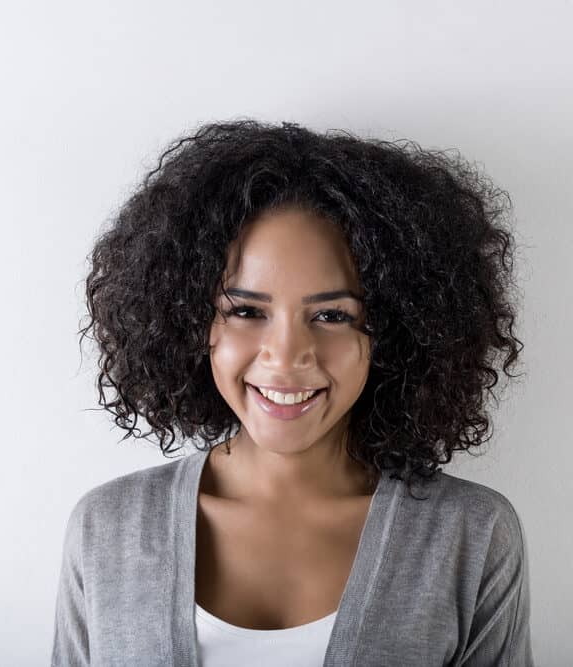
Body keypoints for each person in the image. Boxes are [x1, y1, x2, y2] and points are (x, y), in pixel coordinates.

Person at [51, 119, 533, 666]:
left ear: (399, 331)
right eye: (247, 312)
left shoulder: (469, 535)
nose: (285, 354)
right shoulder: (108, 527)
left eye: (332, 315)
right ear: (189, 322)